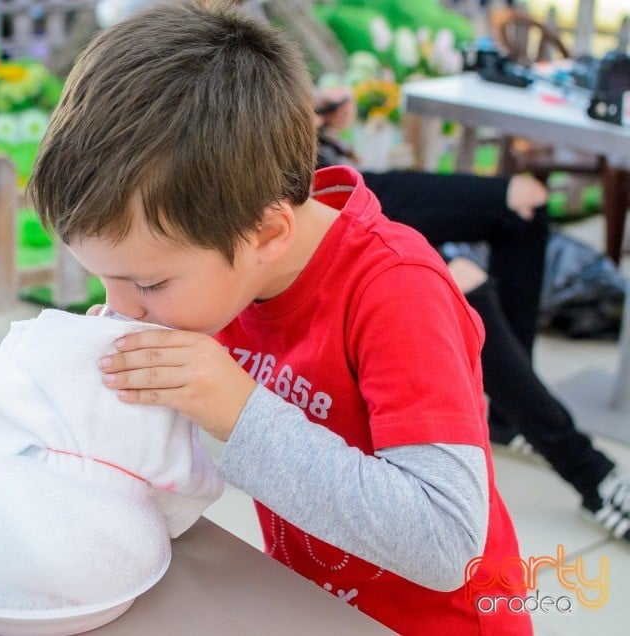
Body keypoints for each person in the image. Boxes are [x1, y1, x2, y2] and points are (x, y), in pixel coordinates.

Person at [27, 1, 532, 632]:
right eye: (105, 277)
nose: (121, 307)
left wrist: (238, 413)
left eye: (148, 282)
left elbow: (448, 540)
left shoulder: (396, 292)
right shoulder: (220, 270)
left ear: (267, 233)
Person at [314, 88, 630, 544]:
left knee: (525, 203)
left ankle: (508, 413)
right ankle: (590, 474)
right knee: (459, 284)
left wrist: (314, 111)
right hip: (303, 196)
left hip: (343, 179)